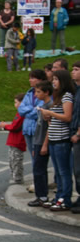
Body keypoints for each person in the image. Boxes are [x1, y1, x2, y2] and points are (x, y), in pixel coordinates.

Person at [39, 69, 75, 211]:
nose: (53, 82)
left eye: (56, 79)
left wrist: (51, 113)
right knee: (58, 171)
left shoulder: (67, 97)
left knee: (64, 171)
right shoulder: (57, 97)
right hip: (54, 137)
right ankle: (58, 195)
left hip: (62, 138)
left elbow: (67, 117)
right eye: (53, 79)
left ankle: (65, 198)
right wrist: (48, 117)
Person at [27, 80, 53, 207]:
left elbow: (50, 127)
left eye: (38, 92)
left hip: (43, 141)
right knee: (37, 169)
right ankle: (40, 195)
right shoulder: (42, 106)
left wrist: (44, 144)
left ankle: (42, 196)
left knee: (40, 170)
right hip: (37, 141)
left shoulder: (49, 107)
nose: (36, 95)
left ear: (46, 92)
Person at [0, 93, 27, 184]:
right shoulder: (19, 113)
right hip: (13, 141)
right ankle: (14, 176)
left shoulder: (22, 114)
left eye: (16, 102)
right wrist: (5, 125)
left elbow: (15, 127)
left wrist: (4, 126)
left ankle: (18, 178)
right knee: (12, 160)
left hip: (18, 141)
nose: (15, 104)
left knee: (16, 160)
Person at [18, 69, 47, 159]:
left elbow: (39, 111)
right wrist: (32, 109)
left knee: (38, 156)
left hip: (37, 128)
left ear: (40, 80)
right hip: (27, 129)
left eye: (33, 78)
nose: (30, 80)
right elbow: (21, 109)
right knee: (32, 155)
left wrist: (28, 111)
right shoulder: (29, 92)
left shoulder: (44, 94)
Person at [70, 61, 80, 213]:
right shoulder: (76, 90)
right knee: (76, 169)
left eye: (77, 69)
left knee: (79, 168)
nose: (73, 72)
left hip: (79, 134)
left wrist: (78, 133)